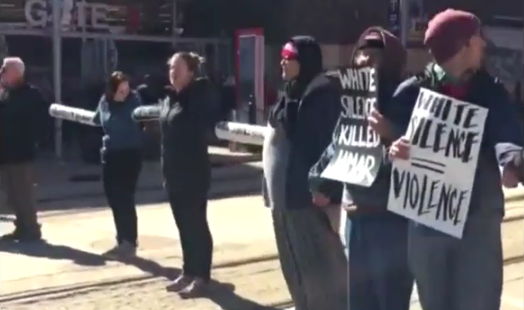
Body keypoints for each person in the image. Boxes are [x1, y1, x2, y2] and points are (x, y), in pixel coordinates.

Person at [388, 9, 524, 310]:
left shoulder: (492, 92)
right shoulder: (411, 94)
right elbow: (383, 150)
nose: (484, 45)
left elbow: (507, 134)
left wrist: (511, 162)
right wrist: (393, 151)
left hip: (478, 224)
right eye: (478, 39)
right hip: (427, 225)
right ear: (462, 45)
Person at [309, 27, 414, 310]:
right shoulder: (353, 100)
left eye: (373, 57)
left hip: (390, 221)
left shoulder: (407, 97)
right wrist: (318, 181)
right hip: (356, 217)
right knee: (359, 300)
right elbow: (339, 143)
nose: (364, 61)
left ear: (389, 61)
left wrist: (390, 131)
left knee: (389, 300)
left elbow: (423, 147)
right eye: (361, 55)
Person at [262, 36, 347, 310]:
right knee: (295, 268)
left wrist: (328, 190)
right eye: (283, 56)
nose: (283, 62)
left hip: (308, 201)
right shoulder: (292, 92)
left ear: (305, 61)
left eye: (290, 57)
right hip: (285, 199)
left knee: (319, 272)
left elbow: (331, 145)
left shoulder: (320, 96)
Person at [160, 52, 218, 297]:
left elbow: (202, 122)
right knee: (183, 225)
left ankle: (202, 276)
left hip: (193, 173)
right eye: (170, 67)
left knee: (196, 225)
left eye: (178, 67)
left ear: (191, 72)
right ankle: (188, 271)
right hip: (173, 173)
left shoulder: (198, 96)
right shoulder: (170, 98)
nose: (172, 71)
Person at [93, 71, 144, 256]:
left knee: (125, 197)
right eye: (120, 90)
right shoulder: (105, 101)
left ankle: (129, 240)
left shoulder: (134, 100)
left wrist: (122, 103)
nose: (124, 93)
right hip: (110, 153)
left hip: (130, 153)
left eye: (126, 89)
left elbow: (127, 121)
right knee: (113, 197)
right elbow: (98, 118)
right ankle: (121, 238)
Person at [0, 57, 45, 242]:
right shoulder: (6, 93)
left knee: (24, 192)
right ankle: (21, 226)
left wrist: (35, 140)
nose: (1, 72)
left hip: (22, 151)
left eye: (4, 69)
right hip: (6, 151)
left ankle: (32, 228)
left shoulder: (30, 94)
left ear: (16, 73)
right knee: (12, 193)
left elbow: (38, 120)